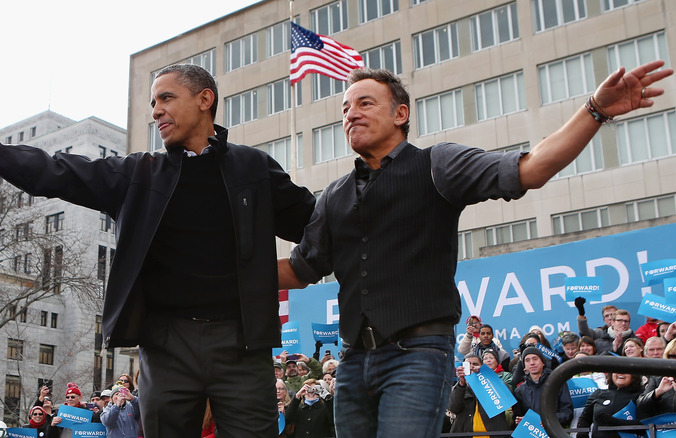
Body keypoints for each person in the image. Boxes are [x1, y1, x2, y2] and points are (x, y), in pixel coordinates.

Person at [0, 63, 316, 438]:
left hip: (242, 343)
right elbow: (47, 172)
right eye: (153, 102)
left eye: (166, 98)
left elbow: (317, 224)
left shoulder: (253, 168)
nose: (156, 111)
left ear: (205, 99)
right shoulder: (138, 174)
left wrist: (296, 268)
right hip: (166, 345)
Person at [277, 61, 672, 437]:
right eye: (345, 108)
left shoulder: (437, 164)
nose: (351, 114)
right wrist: (222, 269)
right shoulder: (333, 196)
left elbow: (531, 169)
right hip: (352, 361)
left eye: (365, 103)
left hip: (416, 353)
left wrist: (595, 109)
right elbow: (301, 268)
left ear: (400, 114)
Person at [449, 354, 512, 435]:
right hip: (465, 433)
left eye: (475, 364)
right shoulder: (459, 387)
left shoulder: (491, 383)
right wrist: (461, 384)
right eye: (468, 364)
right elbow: (454, 408)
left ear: (481, 367)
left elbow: (507, 396)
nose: (471, 367)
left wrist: (485, 375)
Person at [513, 347, 574, 427]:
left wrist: (548, 420)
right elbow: (517, 417)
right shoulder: (520, 390)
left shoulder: (557, 383)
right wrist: (521, 421)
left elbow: (567, 413)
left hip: (554, 432)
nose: (532, 363)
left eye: (535, 359)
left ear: (543, 362)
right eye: (527, 360)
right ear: (524, 366)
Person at [576, 373, 643, 438]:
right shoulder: (598, 394)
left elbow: (646, 424)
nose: (620, 373)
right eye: (616, 370)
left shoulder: (641, 396)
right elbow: (584, 419)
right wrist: (582, 434)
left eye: (625, 370)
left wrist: (615, 422)